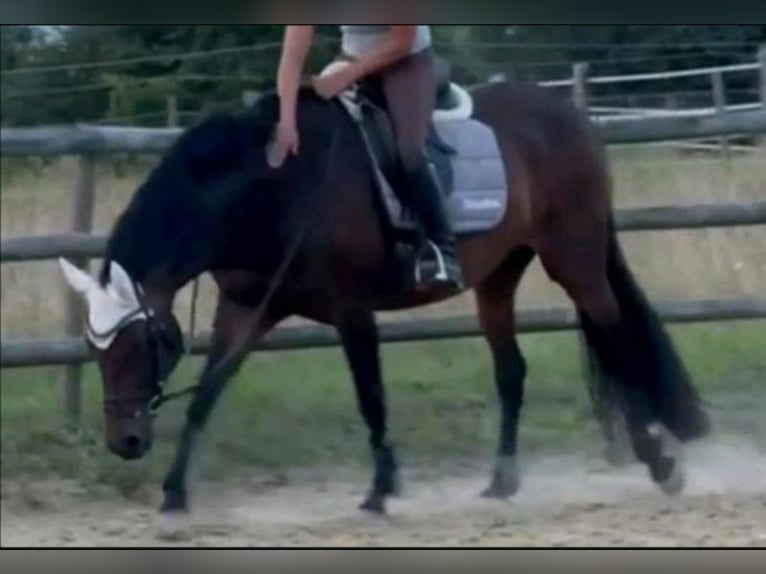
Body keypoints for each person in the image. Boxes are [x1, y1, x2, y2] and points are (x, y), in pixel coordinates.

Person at [271, 25, 464, 291]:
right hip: (352, 57)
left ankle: (442, 248)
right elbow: (291, 59)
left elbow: (402, 41)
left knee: (408, 152)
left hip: (405, 61)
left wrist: (346, 76)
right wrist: (286, 123)